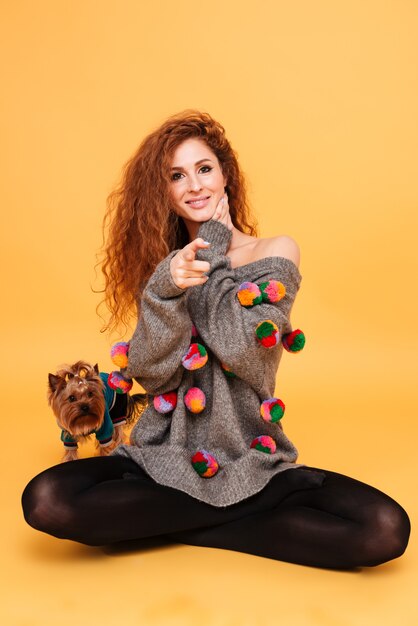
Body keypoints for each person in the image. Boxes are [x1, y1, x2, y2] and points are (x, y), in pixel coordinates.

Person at [22, 110, 411, 569]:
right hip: (163, 460)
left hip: (253, 461)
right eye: (177, 176)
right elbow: (151, 373)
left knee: (385, 528)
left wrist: (215, 249)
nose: (195, 185)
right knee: (46, 499)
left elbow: (245, 349)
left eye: (204, 168)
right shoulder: (168, 268)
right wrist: (166, 287)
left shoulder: (276, 252)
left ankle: (159, 525)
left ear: (225, 174)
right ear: (164, 192)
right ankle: (226, 520)